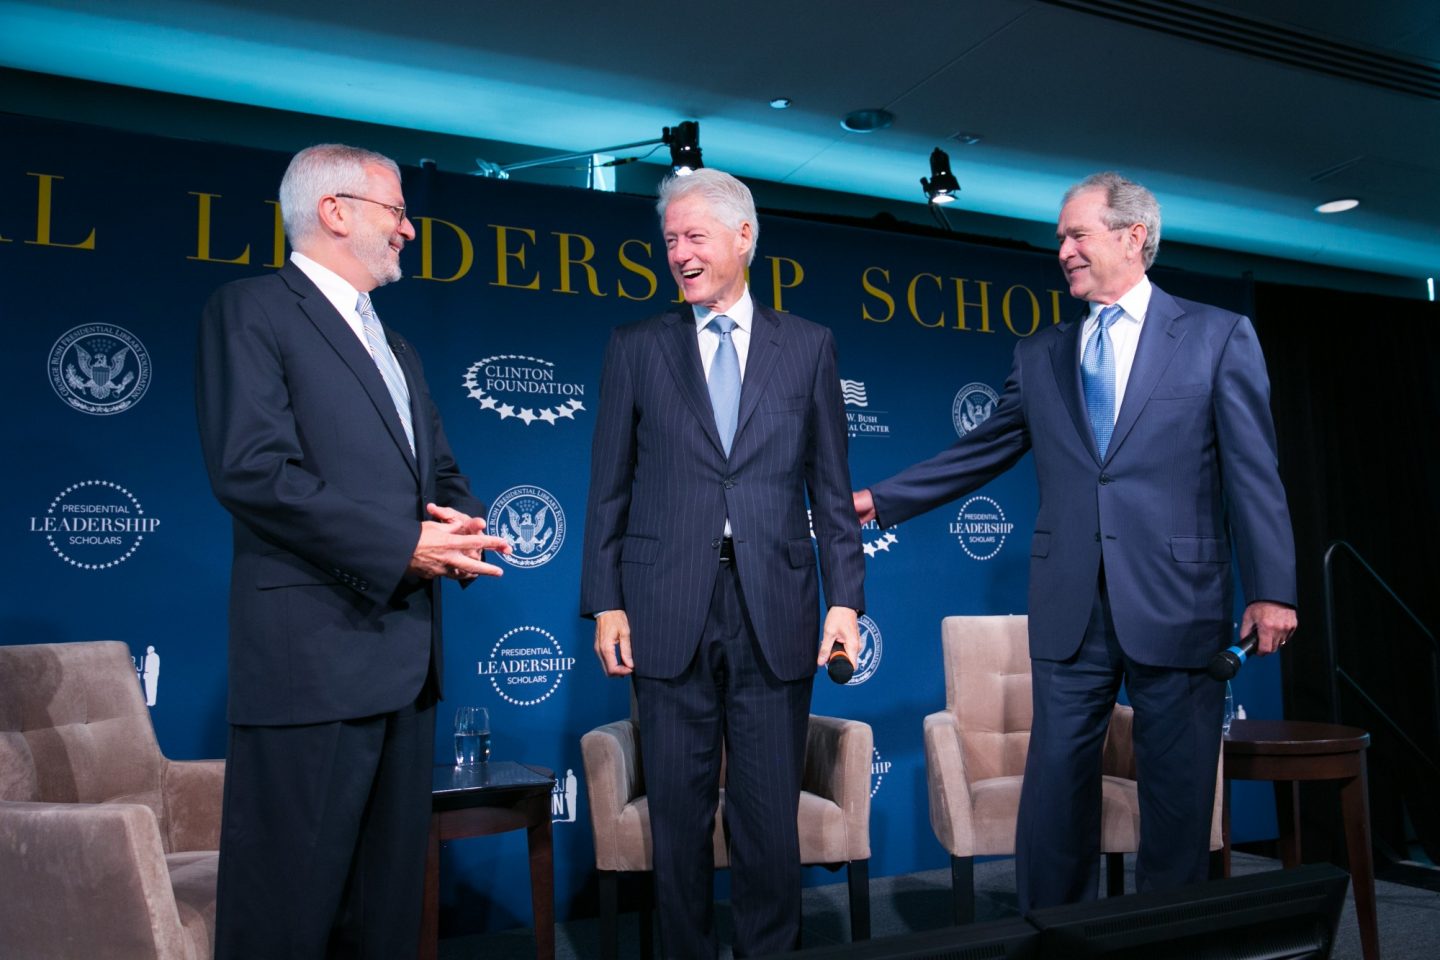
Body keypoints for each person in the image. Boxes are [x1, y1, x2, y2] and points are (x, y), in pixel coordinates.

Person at [855, 171, 1297, 910]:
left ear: (1133, 237)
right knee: (1055, 790)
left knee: (1178, 798)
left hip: (1178, 600)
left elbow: (1255, 471)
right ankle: (1050, 938)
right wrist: (879, 500)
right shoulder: (1042, 353)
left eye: (1076, 233)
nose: (1061, 249)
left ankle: (1165, 941)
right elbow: (982, 450)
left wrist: (1273, 589)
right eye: (1060, 236)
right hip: (1071, 606)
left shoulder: (1218, 335)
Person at [195, 143, 509, 959]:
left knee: (388, 913)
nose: (409, 229)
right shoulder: (252, 309)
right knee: (288, 914)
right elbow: (253, 470)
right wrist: (402, 544)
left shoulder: (397, 346)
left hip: (405, 667)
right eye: (396, 211)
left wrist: (462, 532)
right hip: (310, 667)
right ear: (333, 211)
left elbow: (440, 473)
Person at [581, 168, 866, 957]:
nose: (678, 253)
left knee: (769, 815)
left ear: (745, 237)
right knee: (677, 815)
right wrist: (605, 601)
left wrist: (846, 599)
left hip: (777, 607)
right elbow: (607, 486)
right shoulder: (636, 348)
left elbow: (833, 490)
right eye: (669, 240)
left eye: (694, 236)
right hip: (666, 605)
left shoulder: (807, 347)